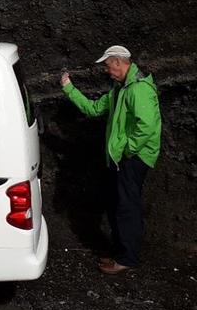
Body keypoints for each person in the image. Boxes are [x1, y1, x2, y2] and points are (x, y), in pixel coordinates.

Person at [60, 45, 161, 274]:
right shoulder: (120, 89)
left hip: (134, 159)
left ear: (118, 62)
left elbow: (147, 126)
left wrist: (127, 150)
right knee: (118, 204)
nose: (107, 71)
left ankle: (127, 259)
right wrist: (69, 89)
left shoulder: (139, 89)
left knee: (127, 207)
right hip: (122, 158)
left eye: (108, 66)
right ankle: (120, 253)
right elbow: (95, 109)